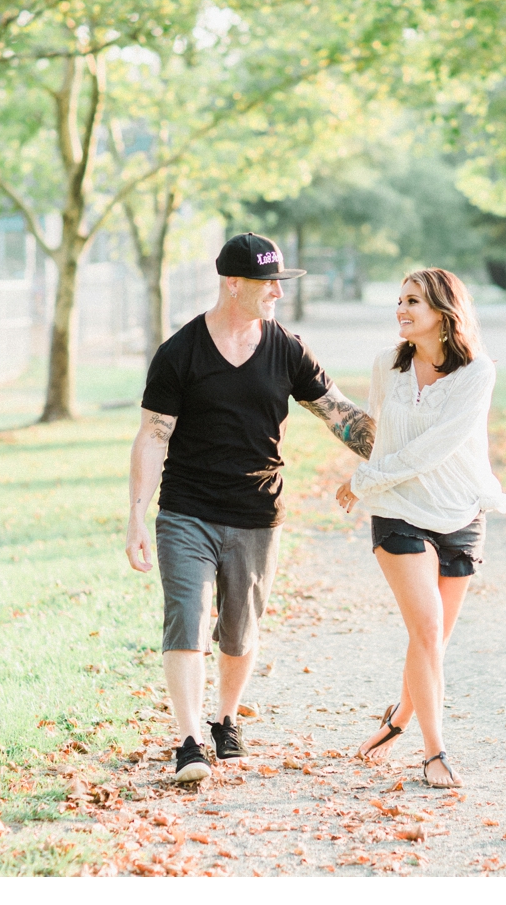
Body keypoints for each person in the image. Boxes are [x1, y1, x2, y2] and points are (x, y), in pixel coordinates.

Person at [126, 232, 374, 784]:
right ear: (232, 283)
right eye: (268, 285)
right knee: (185, 619)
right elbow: (152, 436)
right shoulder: (180, 352)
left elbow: (339, 416)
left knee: (239, 632)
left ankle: (225, 719)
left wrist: (403, 452)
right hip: (186, 510)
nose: (277, 295)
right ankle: (189, 740)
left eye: (280, 285)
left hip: (258, 514)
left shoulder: (287, 348)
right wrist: (137, 515)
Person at [335, 268, 506, 788]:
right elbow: (380, 431)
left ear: (444, 312)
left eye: (413, 301)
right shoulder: (388, 364)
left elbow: (437, 447)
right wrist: (372, 481)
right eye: (400, 301)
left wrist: (365, 478)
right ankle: (435, 753)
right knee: (427, 631)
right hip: (398, 509)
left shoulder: (477, 372)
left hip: (461, 512)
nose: (401, 310)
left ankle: (398, 720)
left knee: (432, 641)